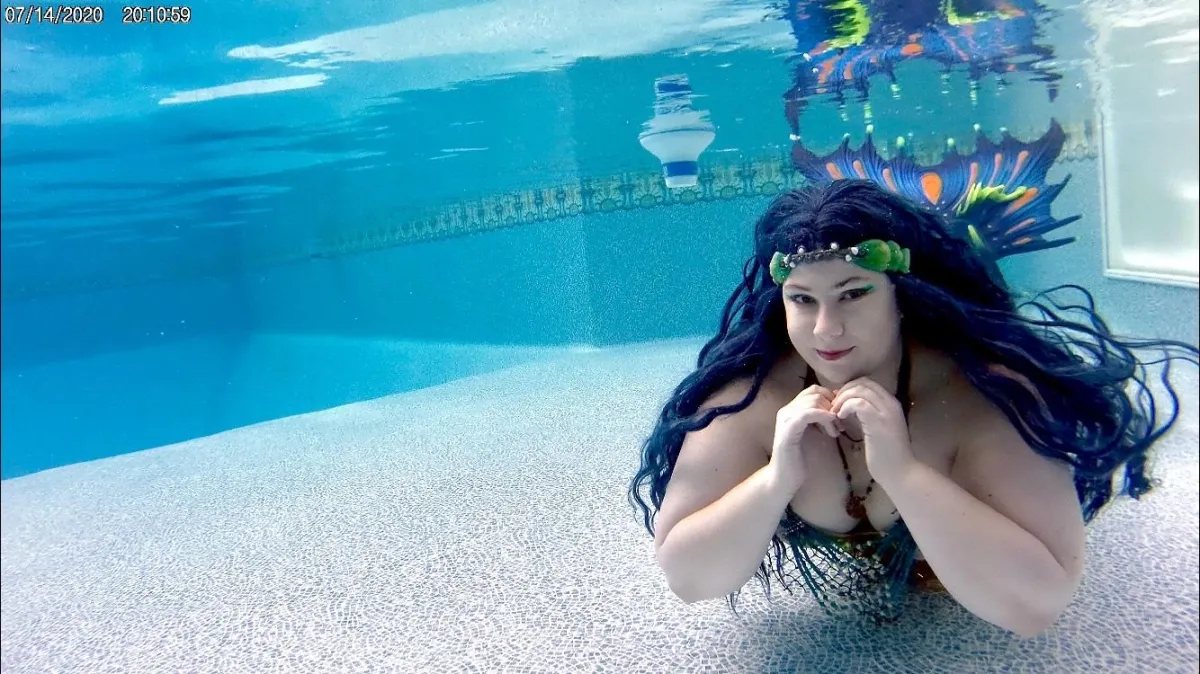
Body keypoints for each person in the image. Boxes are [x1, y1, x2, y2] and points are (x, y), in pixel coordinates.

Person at [627, 178, 1198, 637]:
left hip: (965, 550)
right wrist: (777, 479)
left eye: (854, 293)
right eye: (803, 300)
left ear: (903, 294)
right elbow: (690, 579)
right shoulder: (749, 403)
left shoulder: (979, 396)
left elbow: (1038, 604)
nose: (826, 329)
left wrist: (902, 472)